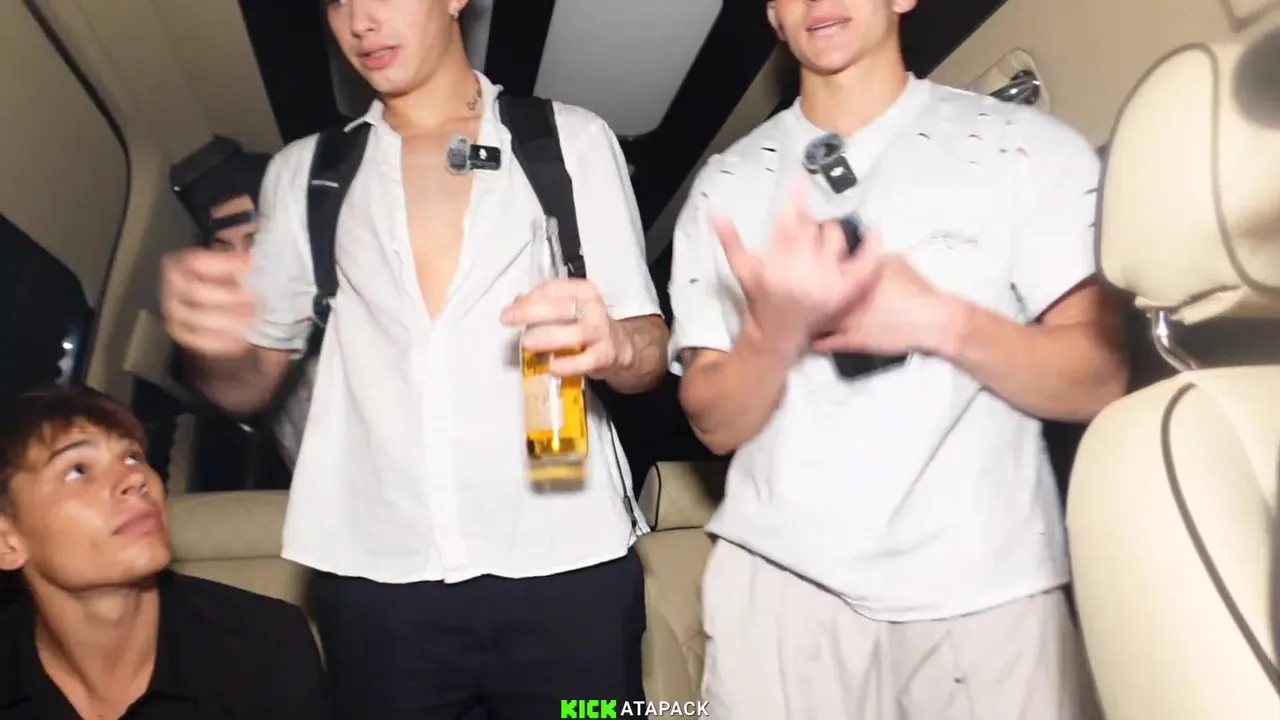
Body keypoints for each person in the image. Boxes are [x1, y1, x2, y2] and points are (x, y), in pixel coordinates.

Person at [159, 0, 667, 716]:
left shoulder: (568, 140)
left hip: (567, 559)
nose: (359, 21)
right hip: (378, 579)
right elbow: (251, 384)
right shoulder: (305, 174)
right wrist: (212, 351)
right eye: (338, 0)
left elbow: (648, 349)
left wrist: (616, 346)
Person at [668, 0, 1127, 717]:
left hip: (990, 597)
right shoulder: (726, 187)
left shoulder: (1023, 146)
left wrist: (944, 321)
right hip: (779, 595)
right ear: (773, 14)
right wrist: (773, 334)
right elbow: (714, 424)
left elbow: (1102, 378)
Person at [0, 385, 327, 718]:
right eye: (78, 470)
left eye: (133, 457)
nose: (135, 478)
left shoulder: (264, 644)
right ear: (7, 542)